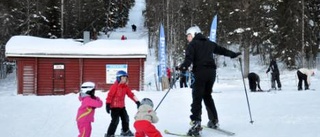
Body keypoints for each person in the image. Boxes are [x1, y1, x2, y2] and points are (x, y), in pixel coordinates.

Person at [178, 25, 241, 136]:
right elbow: (222, 50)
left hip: (200, 72)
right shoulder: (209, 43)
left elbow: (188, 59)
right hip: (211, 73)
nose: (187, 38)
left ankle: (196, 124)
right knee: (207, 96)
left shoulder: (192, 45)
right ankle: (213, 120)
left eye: (188, 35)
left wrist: (183, 67)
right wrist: (233, 54)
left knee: (197, 97)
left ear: (193, 34)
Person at [105, 70, 141, 137]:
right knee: (115, 121)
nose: (124, 80)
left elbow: (131, 94)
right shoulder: (114, 87)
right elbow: (109, 96)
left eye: (125, 78)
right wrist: (107, 104)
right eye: (123, 78)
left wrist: (137, 101)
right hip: (114, 107)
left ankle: (125, 131)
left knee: (126, 118)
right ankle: (109, 134)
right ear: (118, 78)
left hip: (122, 107)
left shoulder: (125, 87)